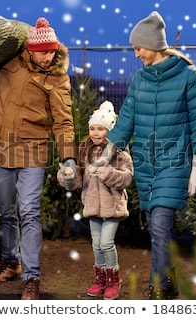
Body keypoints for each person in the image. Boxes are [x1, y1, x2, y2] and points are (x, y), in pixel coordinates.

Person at [90, 11, 196, 299]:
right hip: (146, 165)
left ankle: (156, 289)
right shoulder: (140, 80)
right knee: (159, 231)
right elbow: (126, 121)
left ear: (154, 45)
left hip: (174, 163)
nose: (136, 55)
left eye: (138, 48)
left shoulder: (188, 76)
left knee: (159, 226)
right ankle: (170, 284)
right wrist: (106, 155)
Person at [0, 17, 77, 300]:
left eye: (52, 51)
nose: (49, 57)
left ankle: (31, 276)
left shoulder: (57, 77)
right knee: (5, 212)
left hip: (32, 150)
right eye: (44, 51)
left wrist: (68, 157)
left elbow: (63, 121)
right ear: (31, 49)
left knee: (30, 212)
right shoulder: (6, 63)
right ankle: (11, 261)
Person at [58, 101, 133, 300]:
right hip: (92, 206)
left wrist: (107, 173)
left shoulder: (120, 152)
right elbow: (77, 180)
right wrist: (68, 175)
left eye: (101, 129)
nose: (96, 133)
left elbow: (127, 179)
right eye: (93, 128)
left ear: (110, 130)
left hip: (112, 207)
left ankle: (113, 280)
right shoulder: (86, 151)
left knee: (107, 243)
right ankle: (100, 279)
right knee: (96, 244)